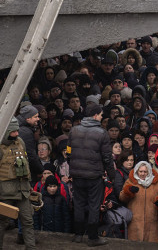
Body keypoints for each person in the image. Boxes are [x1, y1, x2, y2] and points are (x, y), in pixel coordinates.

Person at [68, 104, 115, 246]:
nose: (101, 118)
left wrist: (74, 167)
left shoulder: (73, 130)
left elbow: (69, 153)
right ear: (95, 115)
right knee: (94, 205)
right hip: (94, 175)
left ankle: (78, 235)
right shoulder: (102, 133)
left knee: (79, 204)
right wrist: (111, 175)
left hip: (77, 175)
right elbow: (107, 157)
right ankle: (93, 237)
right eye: (101, 115)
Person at [0, 117, 37, 250]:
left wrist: (29, 185)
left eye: (17, 131)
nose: (17, 134)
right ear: (7, 131)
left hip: (23, 191)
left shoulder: (20, 142)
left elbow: (25, 163)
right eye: (13, 132)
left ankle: (31, 247)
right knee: (2, 222)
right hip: (6, 192)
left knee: (28, 221)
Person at [119, 161, 158, 242]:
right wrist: (129, 191)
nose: (142, 174)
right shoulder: (130, 181)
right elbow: (122, 198)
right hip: (134, 221)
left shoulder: (156, 183)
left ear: (149, 172)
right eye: (140, 171)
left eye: (145, 171)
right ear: (137, 171)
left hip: (151, 221)